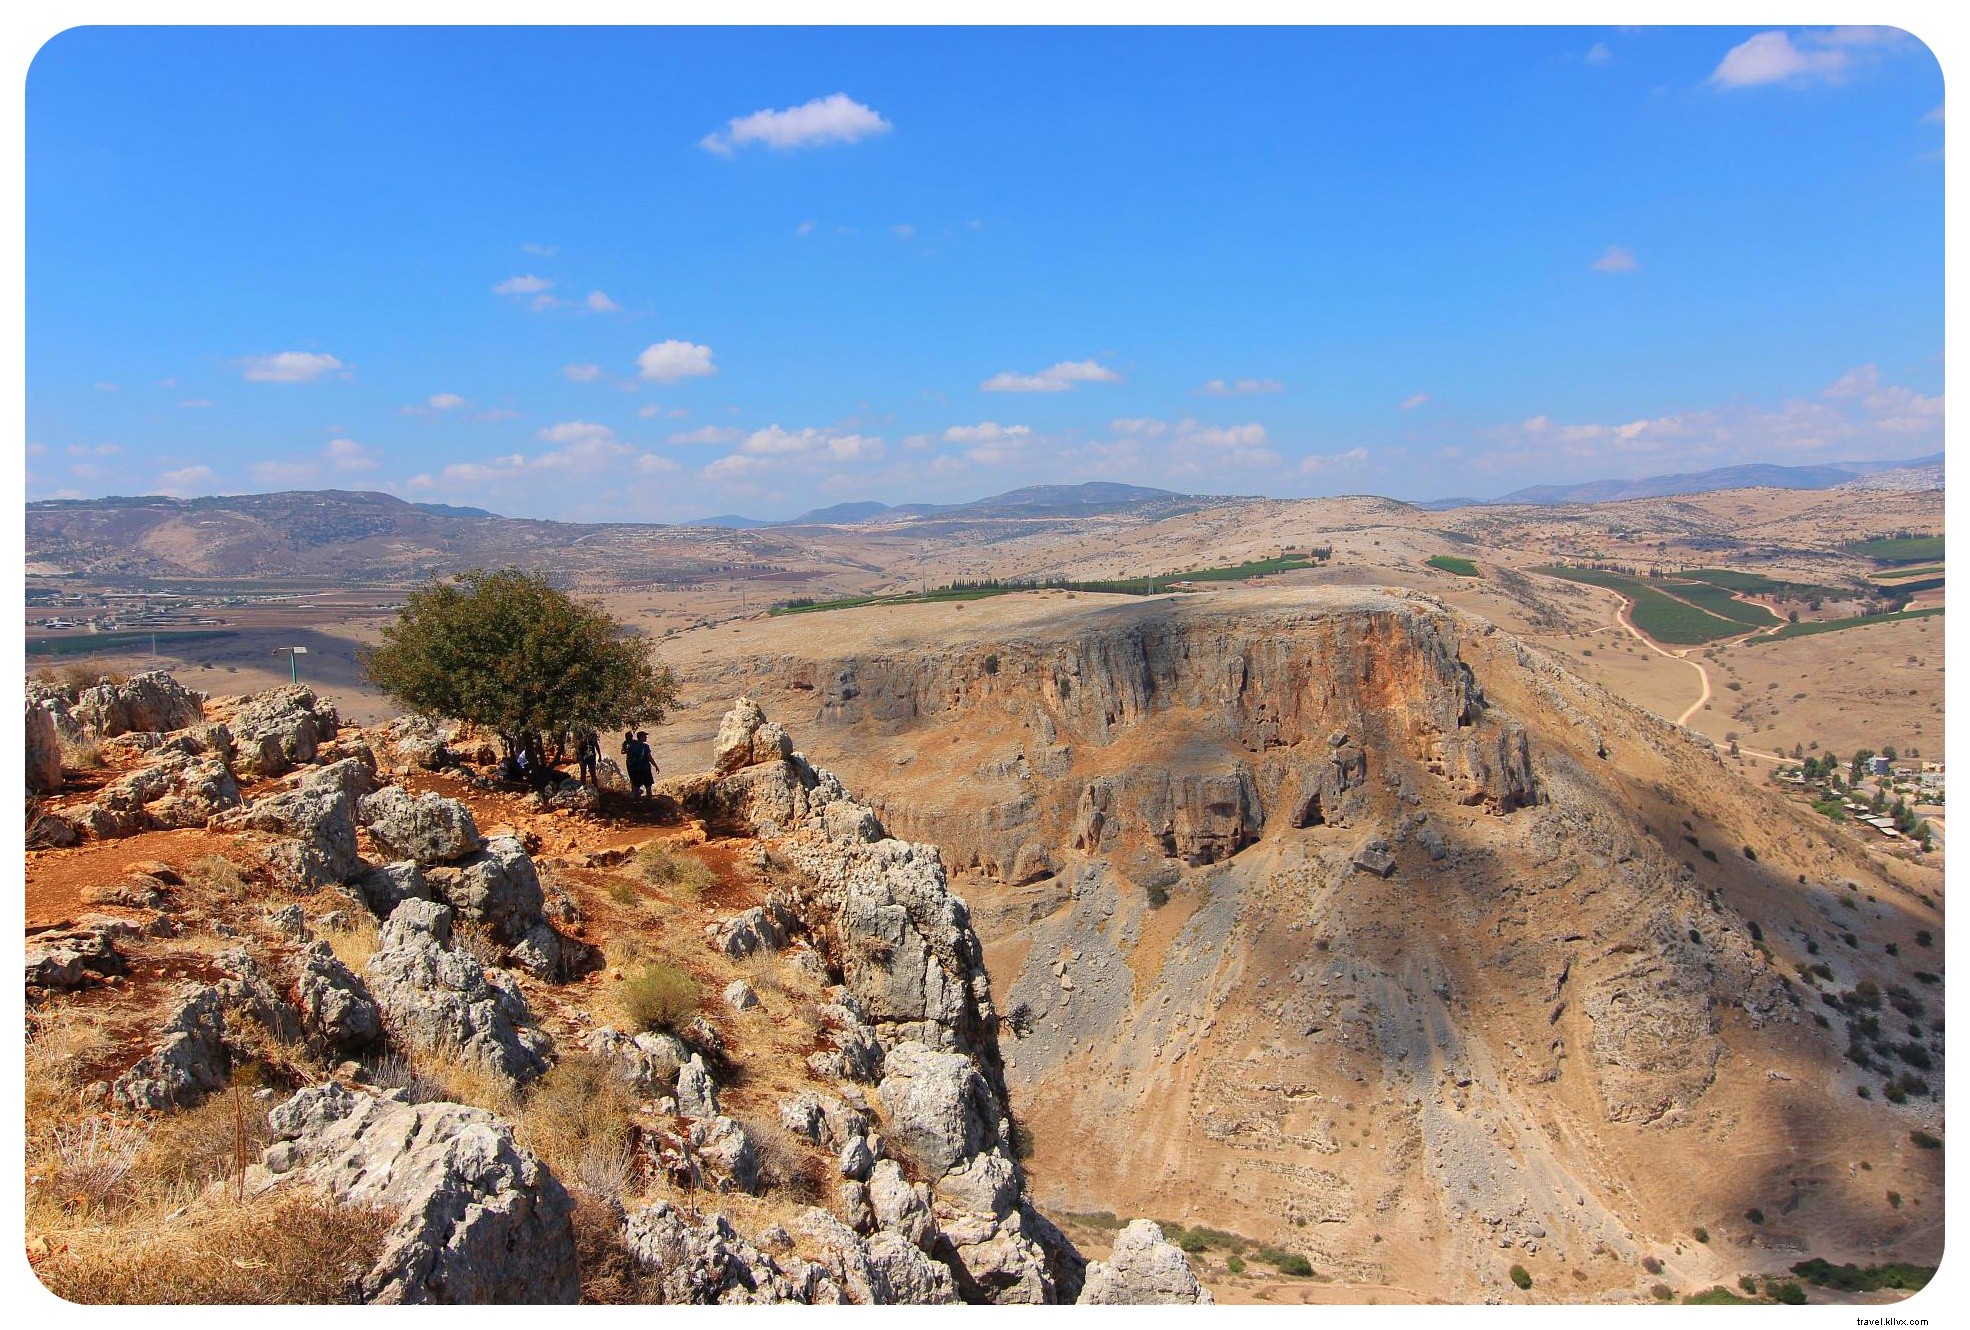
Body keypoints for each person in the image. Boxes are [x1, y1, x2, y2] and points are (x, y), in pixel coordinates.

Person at [626, 729, 655, 798]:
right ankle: (649, 802)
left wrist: (630, 769)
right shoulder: (645, 746)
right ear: (641, 737)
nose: (646, 737)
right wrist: (656, 766)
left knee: (636, 787)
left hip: (635, 769)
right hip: (645, 769)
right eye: (645, 736)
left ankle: (638, 802)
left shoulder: (631, 746)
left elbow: (629, 758)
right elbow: (649, 758)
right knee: (648, 787)